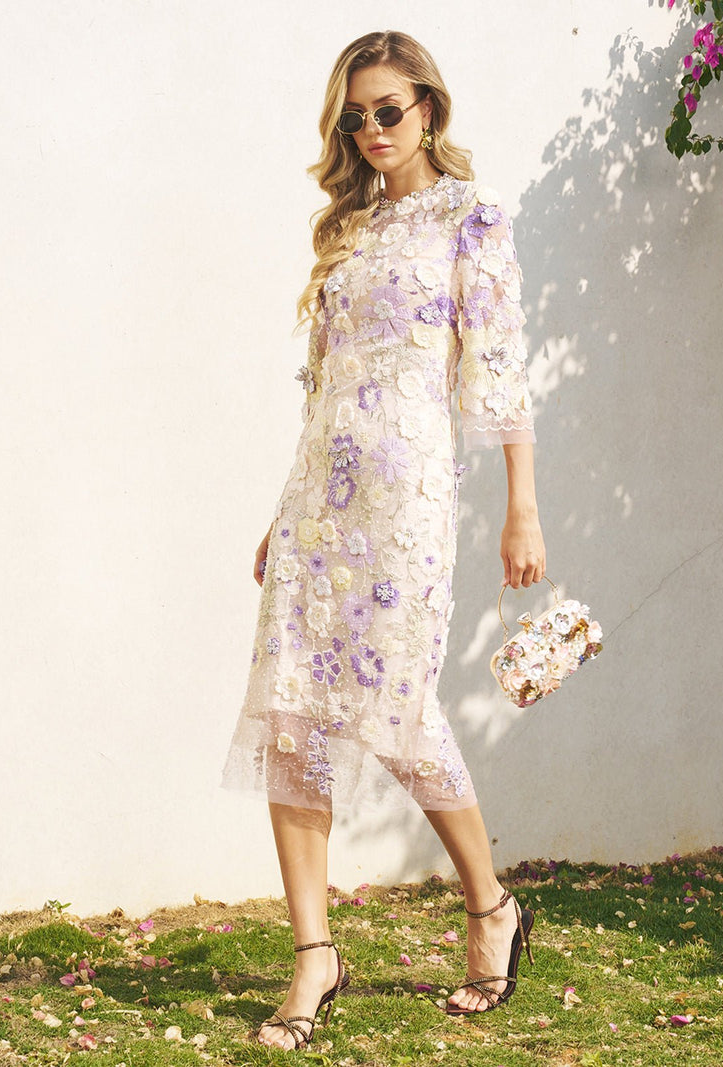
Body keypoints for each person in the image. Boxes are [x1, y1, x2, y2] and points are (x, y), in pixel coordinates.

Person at [220, 29, 546, 1050]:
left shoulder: (470, 220)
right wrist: (284, 508)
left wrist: (519, 504)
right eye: (353, 116)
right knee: (290, 716)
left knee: (396, 710)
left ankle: (490, 904)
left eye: (387, 111)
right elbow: (319, 395)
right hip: (320, 499)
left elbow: (494, 371)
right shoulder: (344, 234)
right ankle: (313, 954)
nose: (369, 130)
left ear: (428, 111)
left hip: (406, 504)